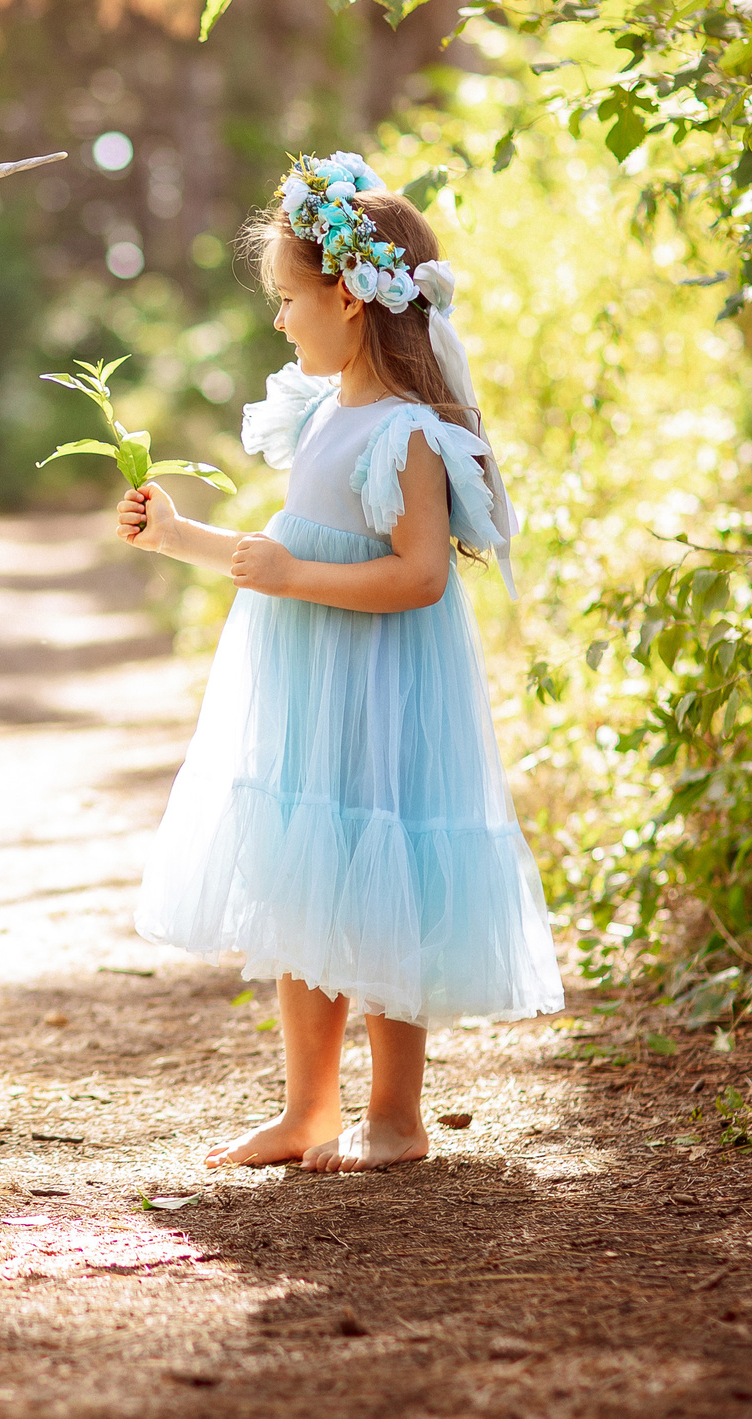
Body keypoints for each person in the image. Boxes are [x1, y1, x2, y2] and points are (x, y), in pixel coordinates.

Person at [115, 153, 563, 1172]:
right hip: (313, 687)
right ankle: (306, 1108)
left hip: (381, 688)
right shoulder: (324, 414)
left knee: (384, 873)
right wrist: (177, 537)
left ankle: (396, 1117)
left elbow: (417, 580)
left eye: (286, 298)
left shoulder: (407, 434)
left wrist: (287, 579)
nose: (278, 320)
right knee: (303, 877)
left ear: (347, 298)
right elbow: (286, 550)